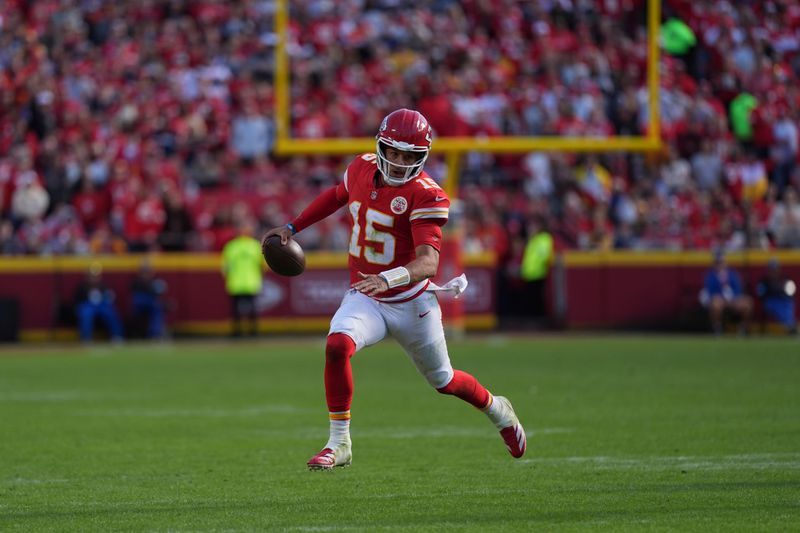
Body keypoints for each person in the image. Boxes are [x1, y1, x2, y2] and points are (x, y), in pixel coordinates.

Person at [263, 109, 526, 470]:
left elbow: (428, 263)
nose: (401, 162)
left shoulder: (427, 195)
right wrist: (294, 226)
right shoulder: (360, 168)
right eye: (395, 152)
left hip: (411, 301)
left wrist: (388, 278)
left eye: (410, 156)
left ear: (423, 157)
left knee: (445, 381)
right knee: (338, 344)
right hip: (367, 297)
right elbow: (337, 195)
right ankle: (339, 443)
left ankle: (499, 410)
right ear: (381, 146)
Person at [221, 218, 263, 337]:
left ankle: (239, 332)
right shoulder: (255, 246)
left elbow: (225, 268)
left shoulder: (232, 246)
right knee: (249, 310)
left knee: (239, 310)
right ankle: (251, 332)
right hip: (249, 282)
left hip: (238, 282)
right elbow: (262, 266)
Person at [699, 250, 753, 335]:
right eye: (717, 262)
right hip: (720, 300)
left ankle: (743, 328)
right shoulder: (710, 276)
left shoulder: (732, 275)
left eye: (721, 262)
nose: (719, 264)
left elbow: (738, 289)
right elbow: (710, 292)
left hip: (733, 300)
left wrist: (733, 299)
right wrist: (721, 298)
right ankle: (717, 328)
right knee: (716, 303)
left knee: (747, 302)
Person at [74, 263, 124, 343]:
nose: (94, 278)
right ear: (88, 277)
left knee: (110, 311)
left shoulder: (103, 286)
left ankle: (117, 336)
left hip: (101, 306)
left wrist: (107, 297)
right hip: (87, 306)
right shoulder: (82, 287)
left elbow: (109, 298)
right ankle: (86, 339)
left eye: (96, 276)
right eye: (92, 276)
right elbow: (77, 302)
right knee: (86, 313)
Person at [130, 259, 168, 339]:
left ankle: (155, 333)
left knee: (157, 308)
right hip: (140, 305)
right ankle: (153, 333)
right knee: (155, 306)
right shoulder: (137, 282)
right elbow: (136, 299)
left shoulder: (154, 281)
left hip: (151, 305)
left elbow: (159, 292)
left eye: (148, 271)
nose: (146, 274)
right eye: (144, 271)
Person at [756, 259, 797, 334]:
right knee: (777, 306)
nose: (774, 271)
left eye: (775, 269)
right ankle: (789, 326)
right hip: (769, 302)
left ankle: (790, 325)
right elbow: (760, 294)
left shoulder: (784, 279)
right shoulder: (764, 281)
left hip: (783, 301)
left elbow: (791, 292)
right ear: (769, 270)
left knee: (788, 304)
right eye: (772, 269)